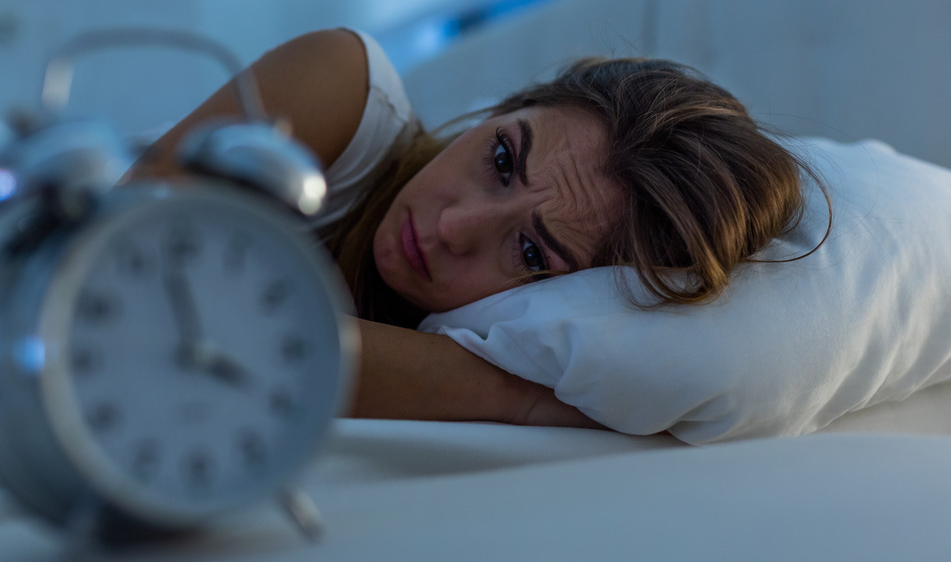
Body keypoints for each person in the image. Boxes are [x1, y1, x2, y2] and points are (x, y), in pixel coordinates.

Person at [127, 28, 826, 430]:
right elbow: (111, 273)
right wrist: (496, 392)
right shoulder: (344, 89)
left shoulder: (548, 343)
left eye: (530, 251)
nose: (454, 227)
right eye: (500, 159)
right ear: (505, 107)